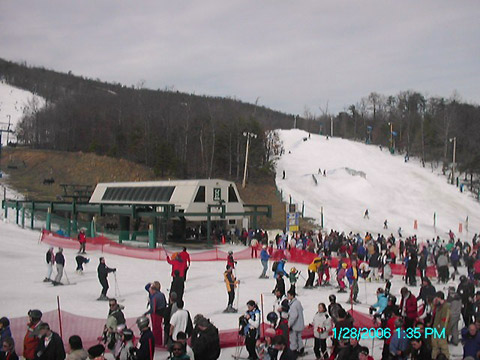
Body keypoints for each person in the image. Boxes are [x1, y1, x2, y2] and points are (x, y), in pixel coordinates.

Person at [144, 282, 167, 347]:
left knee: (155, 328)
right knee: (159, 328)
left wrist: (146, 313)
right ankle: (159, 341)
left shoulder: (154, 297)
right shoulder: (162, 294)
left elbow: (153, 309)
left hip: (156, 314)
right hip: (161, 313)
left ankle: (156, 342)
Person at [432, 291, 450, 359]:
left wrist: (443, 331)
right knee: (435, 347)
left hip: (441, 331)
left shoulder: (445, 307)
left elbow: (445, 320)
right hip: (435, 329)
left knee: (443, 347)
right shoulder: (437, 306)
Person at [287, 290, 304, 356]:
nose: (287, 297)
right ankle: (301, 349)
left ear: (292, 296)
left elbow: (293, 316)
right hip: (300, 323)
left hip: (295, 325)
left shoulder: (293, 305)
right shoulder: (298, 302)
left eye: (288, 295)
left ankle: (293, 351)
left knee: (293, 338)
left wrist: (289, 324)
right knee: (299, 337)